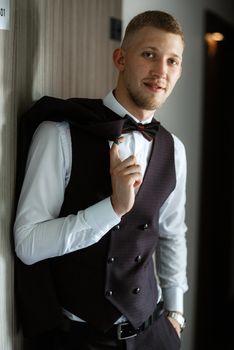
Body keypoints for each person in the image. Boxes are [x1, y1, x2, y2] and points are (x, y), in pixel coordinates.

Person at [14, 10, 188, 350]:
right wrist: (113, 208)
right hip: (76, 338)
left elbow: (172, 234)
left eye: (173, 61)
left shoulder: (174, 149)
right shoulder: (59, 134)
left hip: (152, 335)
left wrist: (176, 315)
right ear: (120, 58)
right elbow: (28, 244)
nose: (161, 72)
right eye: (149, 54)